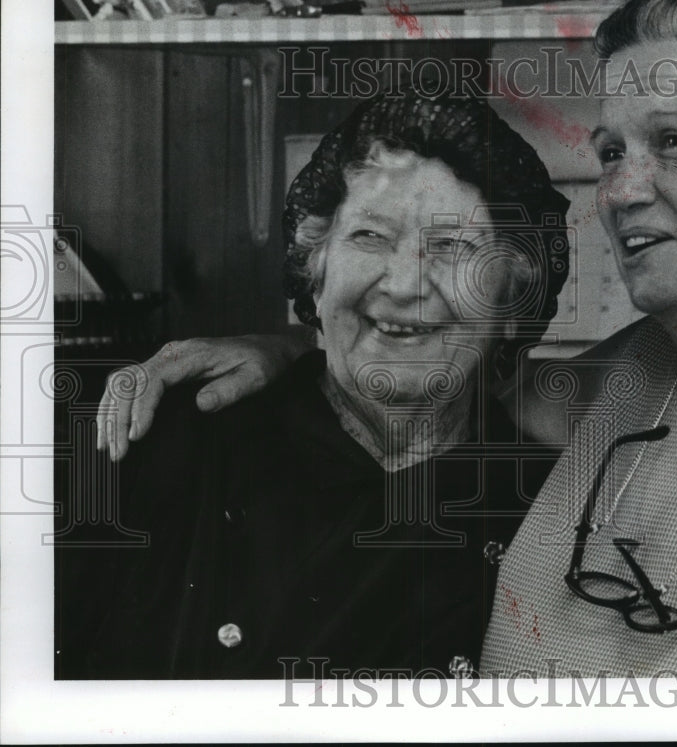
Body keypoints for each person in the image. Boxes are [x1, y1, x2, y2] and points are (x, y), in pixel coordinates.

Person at [96, 0, 677, 677]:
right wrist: (290, 342)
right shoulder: (613, 387)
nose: (617, 189)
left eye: (674, 141)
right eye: (611, 152)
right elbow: (422, 355)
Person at [66, 87, 570, 679]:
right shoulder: (165, 440)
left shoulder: (550, 502)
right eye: (369, 237)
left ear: (514, 298)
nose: (405, 284)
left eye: (453, 246)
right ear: (315, 272)